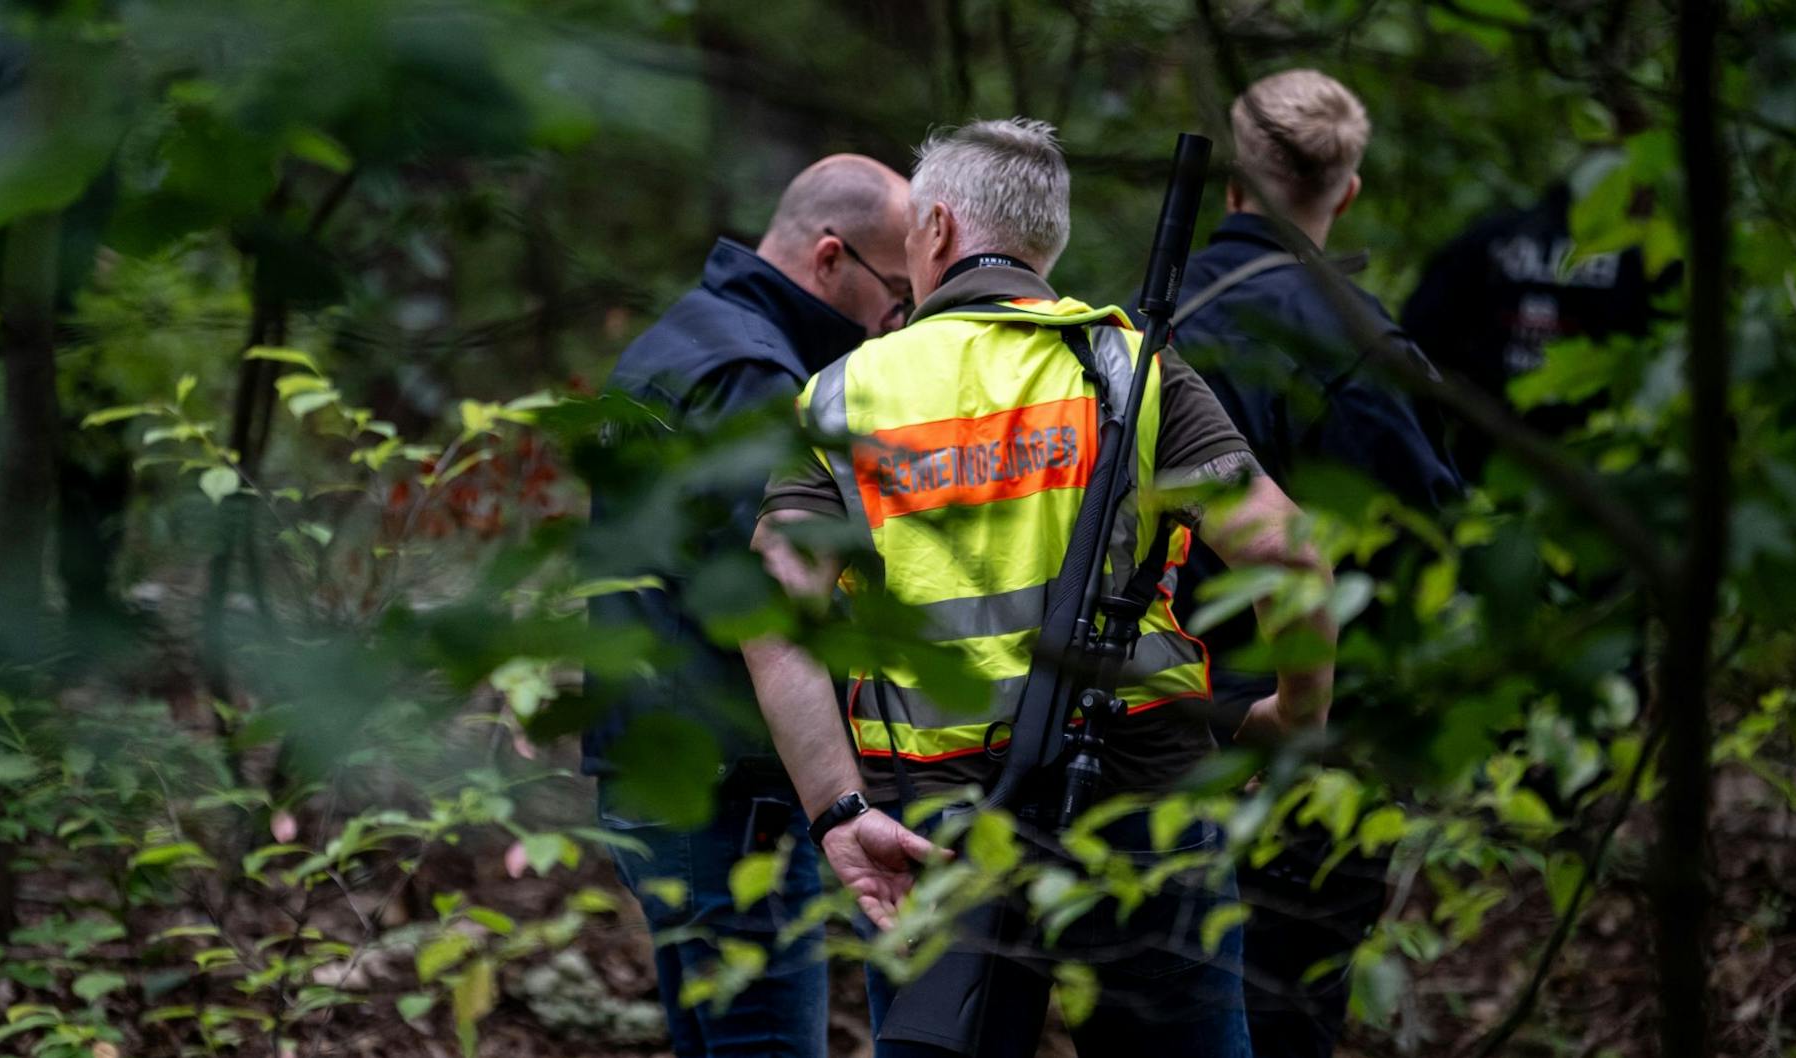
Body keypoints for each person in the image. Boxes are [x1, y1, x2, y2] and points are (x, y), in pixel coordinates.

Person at [740, 118, 1336, 1058]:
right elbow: (1291, 556)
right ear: (1045, 241)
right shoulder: (1130, 370)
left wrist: (841, 811)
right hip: (1144, 802)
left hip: (931, 823)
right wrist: (1293, 717)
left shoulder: (845, 395)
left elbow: (770, 614)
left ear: (936, 229)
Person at [582, 154, 912, 1058]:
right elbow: (771, 608)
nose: (897, 321)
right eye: (895, 296)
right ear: (831, 259)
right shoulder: (754, 378)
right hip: (726, 791)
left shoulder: (684, 336)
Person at [1167, 70, 1461, 1058]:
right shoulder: (1365, 346)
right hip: (1309, 752)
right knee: (1285, 1018)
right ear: (1349, 190)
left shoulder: (1130, 329)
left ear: (1233, 183)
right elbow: (1425, 561)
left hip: (1149, 740)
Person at [1400, 158, 1665, 482]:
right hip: (1593, 467)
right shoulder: (1639, 260)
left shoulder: (1490, 237)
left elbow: (1417, 337)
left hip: (1481, 449)